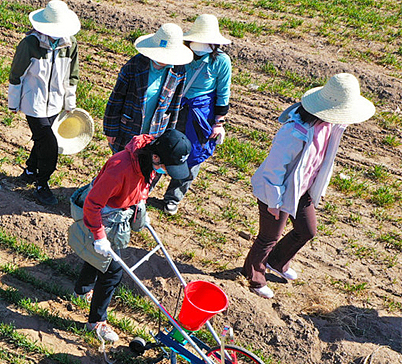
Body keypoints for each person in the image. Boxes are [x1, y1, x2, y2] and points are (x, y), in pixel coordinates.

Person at [242, 73, 375, 299]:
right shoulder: (293, 132)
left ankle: (277, 262)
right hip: (277, 191)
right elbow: (275, 168)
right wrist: (274, 202)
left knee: (307, 230)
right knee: (268, 237)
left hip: (301, 190)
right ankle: (254, 277)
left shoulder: (329, 125)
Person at [73, 129, 191, 342]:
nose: (167, 171)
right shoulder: (121, 168)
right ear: (156, 156)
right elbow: (92, 203)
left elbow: (141, 187)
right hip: (101, 214)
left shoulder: (147, 162)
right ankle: (96, 321)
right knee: (113, 270)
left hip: (120, 210)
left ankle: (82, 290)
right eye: (167, 166)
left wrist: (140, 210)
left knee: (100, 257)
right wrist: (99, 236)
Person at [158, 14, 232, 216]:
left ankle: (173, 197)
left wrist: (219, 122)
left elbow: (223, 93)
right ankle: (146, 186)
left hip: (200, 115)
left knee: (192, 156)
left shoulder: (221, 61)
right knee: (159, 146)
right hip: (173, 107)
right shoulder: (180, 53)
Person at [8, 0, 80, 206]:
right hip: (34, 103)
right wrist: (13, 103)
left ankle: (30, 169)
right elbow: (16, 74)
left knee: (42, 138)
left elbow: (71, 75)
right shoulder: (30, 44)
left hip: (56, 103)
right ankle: (42, 183)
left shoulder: (70, 44)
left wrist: (69, 100)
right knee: (49, 142)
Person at [104, 23, 192, 154]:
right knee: (123, 166)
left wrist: (170, 135)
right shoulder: (135, 65)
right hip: (129, 128)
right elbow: (116, 98)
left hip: (156, 132)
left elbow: (174, 106)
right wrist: (110, 129)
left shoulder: (178, 71)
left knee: (146, 168)